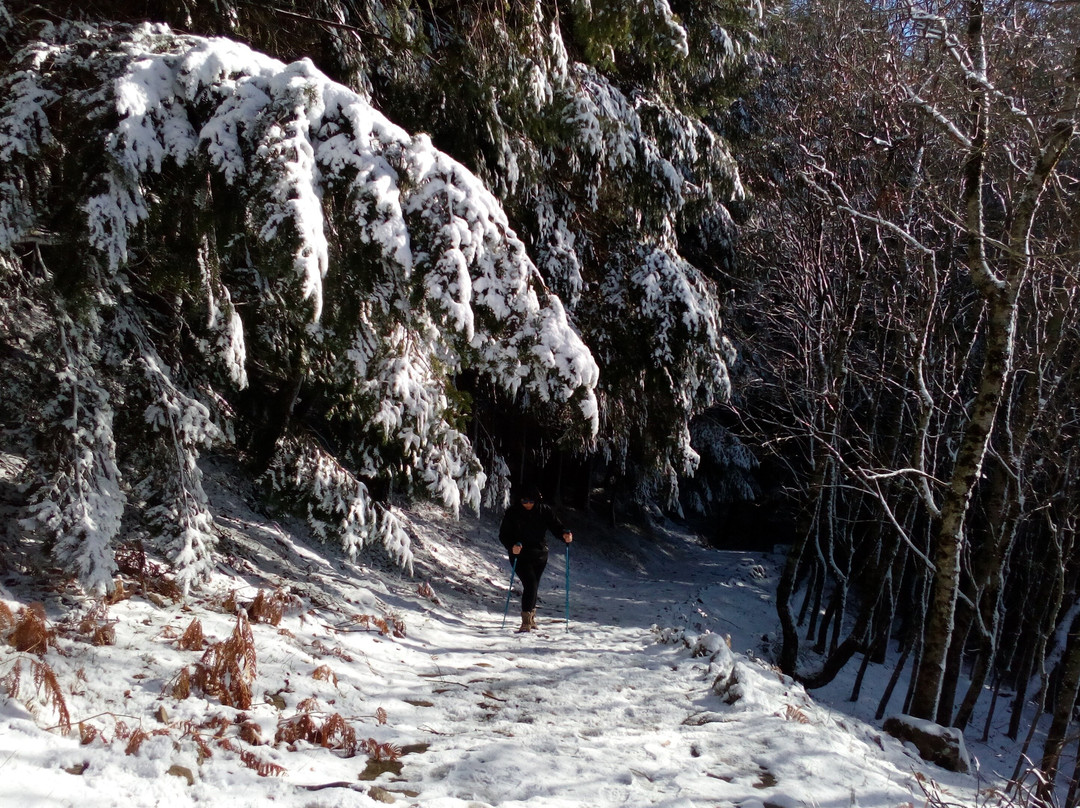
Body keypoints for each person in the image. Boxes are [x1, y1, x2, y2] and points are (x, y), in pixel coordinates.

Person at [498, 484, 572, 632]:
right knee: (530, 583)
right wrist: (511, 545)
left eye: (531, 501)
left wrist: (564, 534)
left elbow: (556, 526)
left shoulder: (544, 511)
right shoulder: (513, 513)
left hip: (539, 554)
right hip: (519, 555)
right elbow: (503, 534)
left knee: (534, 586)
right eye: (524, 501)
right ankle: (526, 621)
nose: (528, 505)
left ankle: (531, 618)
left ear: (537, 501)